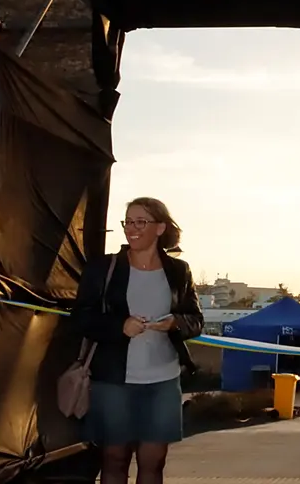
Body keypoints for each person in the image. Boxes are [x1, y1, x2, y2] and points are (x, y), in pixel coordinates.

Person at [75, 197, 205, 484]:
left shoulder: (178, 271)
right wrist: (120, 326)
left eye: (140, 222)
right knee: (114, 460)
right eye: (128, 222)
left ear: (160, 228)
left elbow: (196, 319)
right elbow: (81, 317)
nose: (131, 229)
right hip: (113, 381)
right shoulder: (103, 268)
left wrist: (176, 323)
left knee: (153, 462)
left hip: (162, 381)